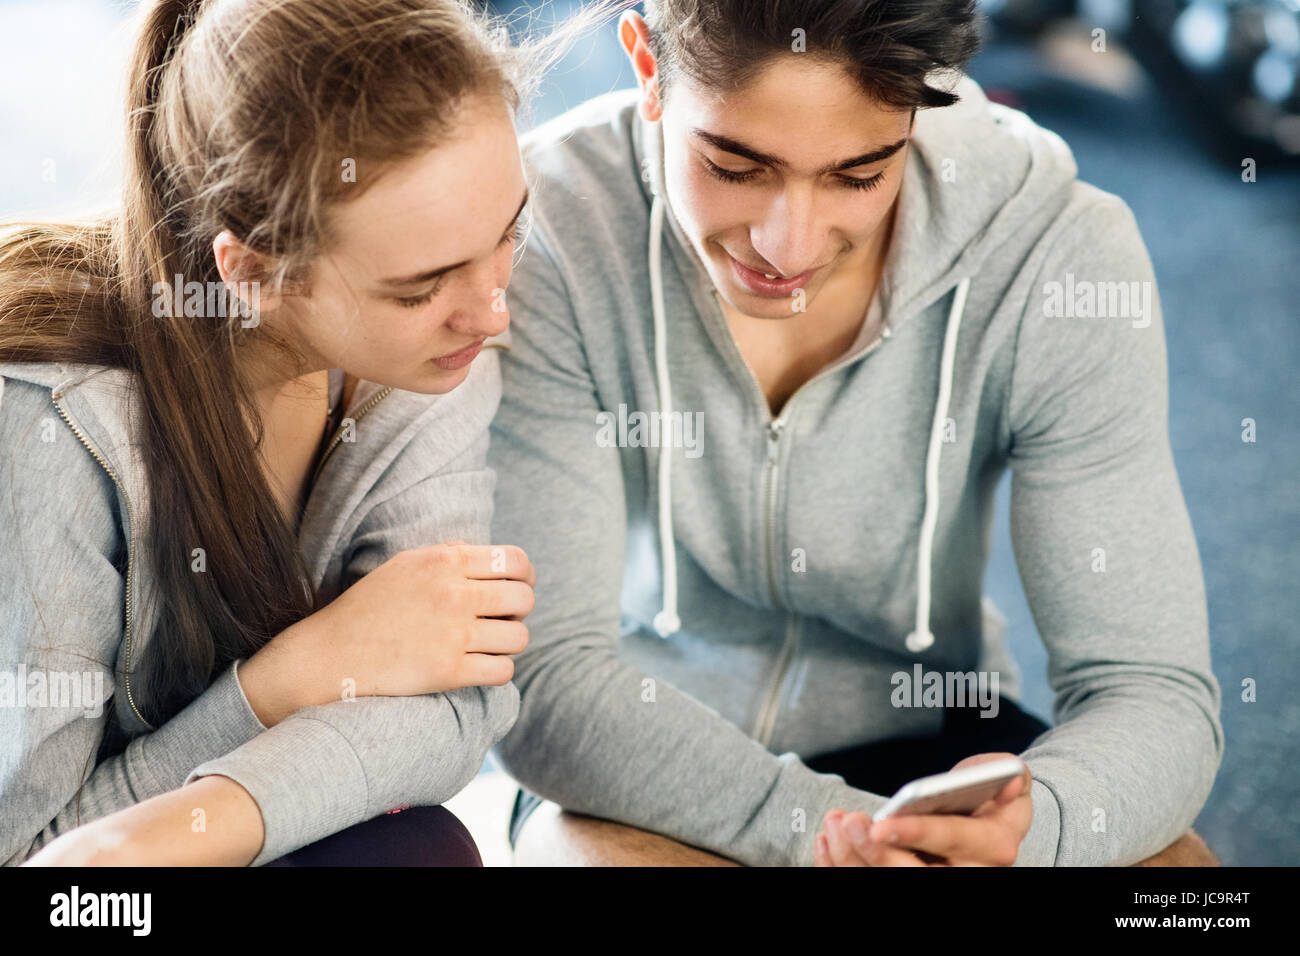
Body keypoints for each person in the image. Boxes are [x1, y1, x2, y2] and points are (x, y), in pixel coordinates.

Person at [488, 0, 1224, 866]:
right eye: (735, 163)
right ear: (649, 70)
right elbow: (548, 682)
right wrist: (823, 836)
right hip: (642, 739)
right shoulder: (545, 231)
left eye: (860, 174)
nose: (786, 245)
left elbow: (1153, 694)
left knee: (1184, 884)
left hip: (923, 722)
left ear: (922, 101)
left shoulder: (1058, 252)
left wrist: (1043, 829)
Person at [0, 0, 559, 866]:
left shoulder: (428, 364)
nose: (494, 312)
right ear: (255, 273)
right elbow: (43, 860)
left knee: (416, 848)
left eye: (508, 234)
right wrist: (294, 678)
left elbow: (457, 705)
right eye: (419, 288)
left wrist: (215, 814)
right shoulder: (53, 429)